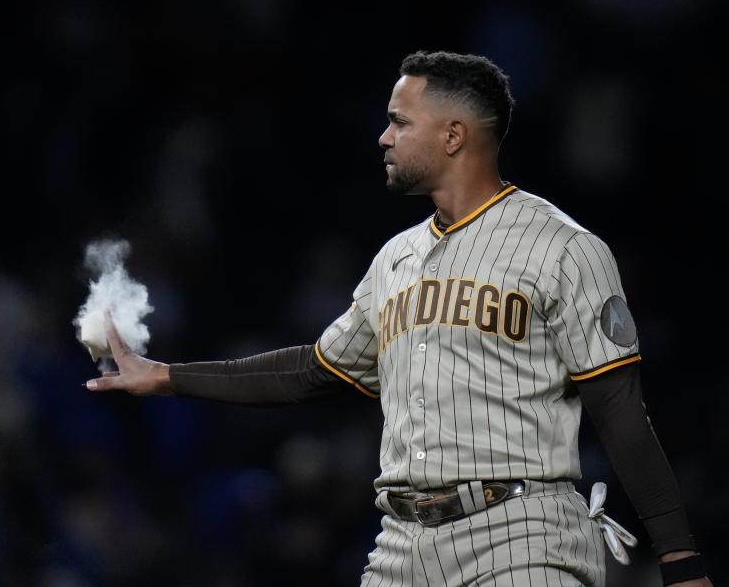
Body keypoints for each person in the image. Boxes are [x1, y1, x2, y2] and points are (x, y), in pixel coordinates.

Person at [84, 51, 710, 587]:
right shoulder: (396, 260)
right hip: (402, 546)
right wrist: (165, 375)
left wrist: (679, 559)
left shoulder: (564, 248)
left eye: (398, 122)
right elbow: (315, 369)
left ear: (454, 135)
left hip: (525, 533)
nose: (383, 137)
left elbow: (619, 408)